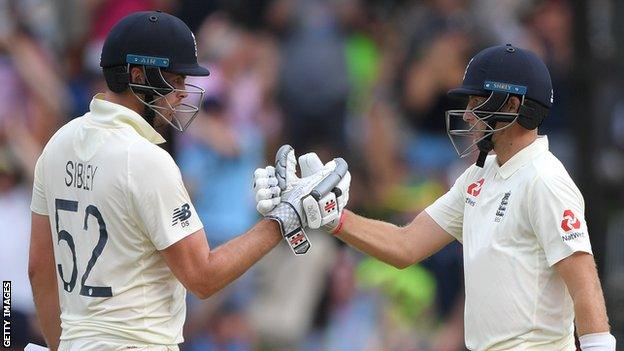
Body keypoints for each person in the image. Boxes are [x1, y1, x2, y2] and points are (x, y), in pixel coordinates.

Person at [254, 44, 616, 350]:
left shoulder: (545, 180)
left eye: (479, 101)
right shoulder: (478, 177)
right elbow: (405, 245)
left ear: (512, 106)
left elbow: (583, 279)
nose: (470, 115)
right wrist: (334, 218)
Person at [28, 11, 347, 351]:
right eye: (174, 80)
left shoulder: (58, 144)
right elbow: (203, 277)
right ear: (137, 75)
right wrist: (284, 217)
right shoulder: (146, 159)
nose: (182, 93)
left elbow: (38, 268)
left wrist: (60, 346)